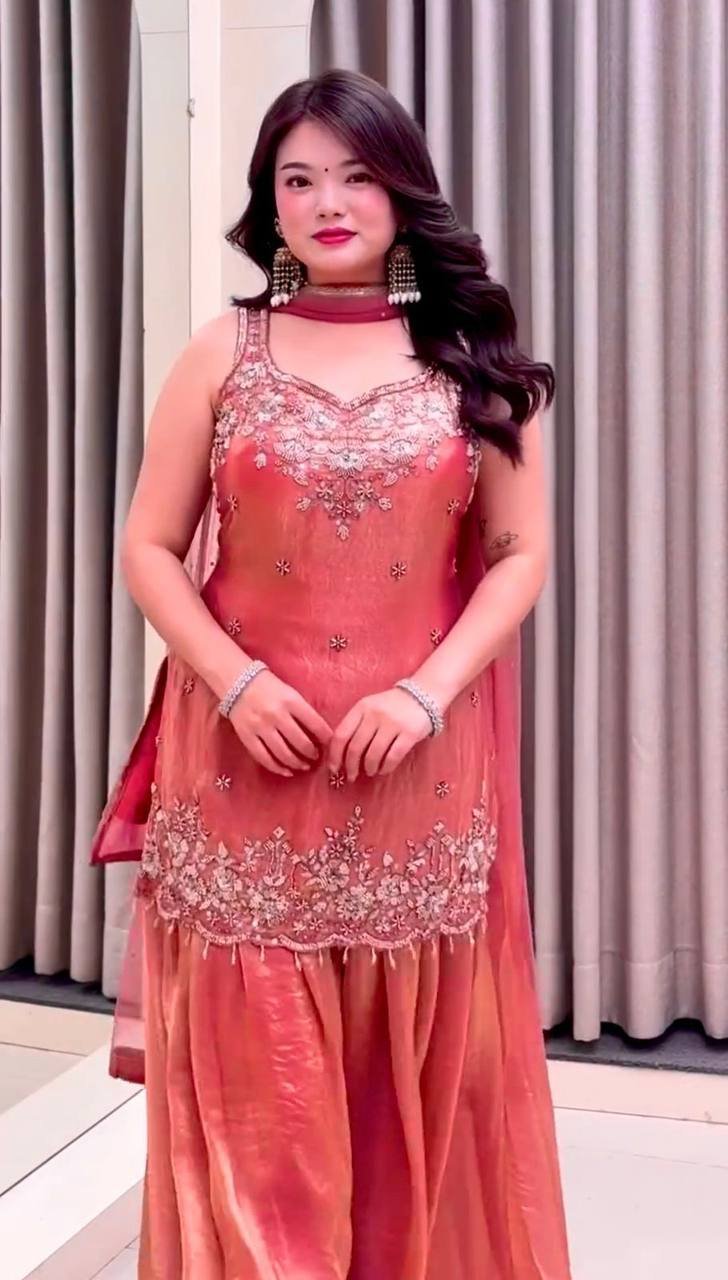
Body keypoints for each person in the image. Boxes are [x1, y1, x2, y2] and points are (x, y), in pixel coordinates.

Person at [91, 67, 572, 1280]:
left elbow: (518, 556)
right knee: (258, 1096)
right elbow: (148, 546)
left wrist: (422, 694)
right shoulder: (223, 351)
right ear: (269, 205)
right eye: (297, 180)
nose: (327, 203)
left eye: (355, 175)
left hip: (415, 765)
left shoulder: (472, 360)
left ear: (402, 191)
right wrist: (235, 683)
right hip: (243, 762)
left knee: (409, 1078)